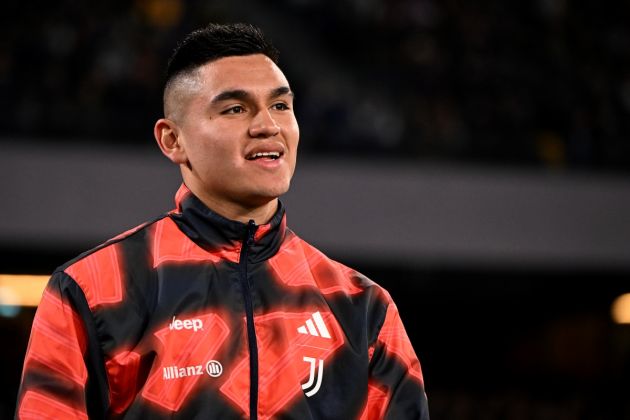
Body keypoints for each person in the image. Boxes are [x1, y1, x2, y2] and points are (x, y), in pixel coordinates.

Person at [16, 23, 430, 419]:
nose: (268, 126)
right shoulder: (91, 290)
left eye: (281, 105)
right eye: (235, 108)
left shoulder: (362, 307)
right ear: (172, 140)